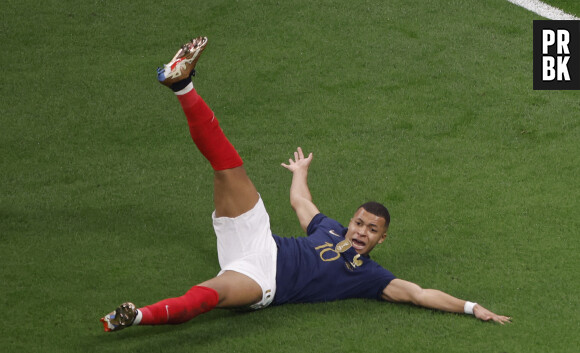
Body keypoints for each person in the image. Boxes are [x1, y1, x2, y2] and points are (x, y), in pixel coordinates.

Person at [100, 36, 511, 332]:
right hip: (258, 238)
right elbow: (301, 204)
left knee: (208, 297)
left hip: (263, 280)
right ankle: (181, 84)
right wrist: (300, 174)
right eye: (360, 222)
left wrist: (473, 308)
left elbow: (421, 294)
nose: (362, 232)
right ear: (350, 221)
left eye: (372, 230)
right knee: (227, 165)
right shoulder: (328, 228)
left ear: (382, 240)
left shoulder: (369, 276)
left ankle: (136, 316)